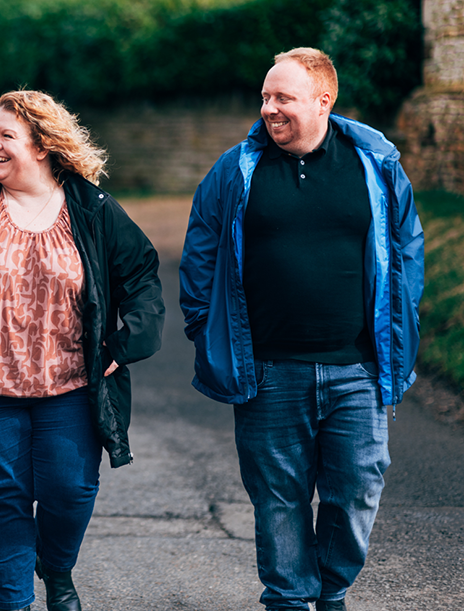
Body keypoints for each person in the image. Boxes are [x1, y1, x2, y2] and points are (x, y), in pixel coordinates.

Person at [0, 90, 165, 611]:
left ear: (41, 146)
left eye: (6, 136)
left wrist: (126, 343)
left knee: (71, 493)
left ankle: (57, 570)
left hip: (70, 387)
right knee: (4, 500)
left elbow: (143, 278)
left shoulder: (91, 207)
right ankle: (13, 603)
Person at [179, 48, 425, 611]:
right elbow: (201, 252)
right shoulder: (235, 169)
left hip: (358, 367)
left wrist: (401, 323)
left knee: (358, 489)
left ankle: (331, 589)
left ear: (323, 100)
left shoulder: (375, 163)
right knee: (278, 500)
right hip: (267, 370)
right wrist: (204, 329)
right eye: (265, 97)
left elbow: (407, 252)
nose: (268, 108)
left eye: (282, 98)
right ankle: (289, 598)